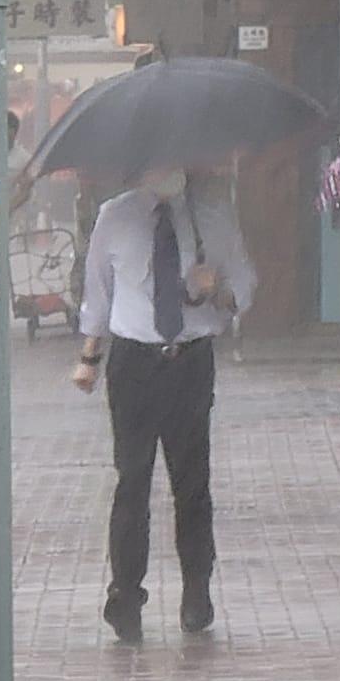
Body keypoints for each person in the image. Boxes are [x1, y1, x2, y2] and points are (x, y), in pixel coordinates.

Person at [72, 167, 256, 643]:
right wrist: (89, 357)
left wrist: (216, 288)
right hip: (134, 362)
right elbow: (97, 293)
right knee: (132, 480)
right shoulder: (114, 216)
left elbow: (245, 288)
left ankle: (197, 590)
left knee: (192, 483)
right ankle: (125, 594)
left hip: (190, 361)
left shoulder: (211, 218)